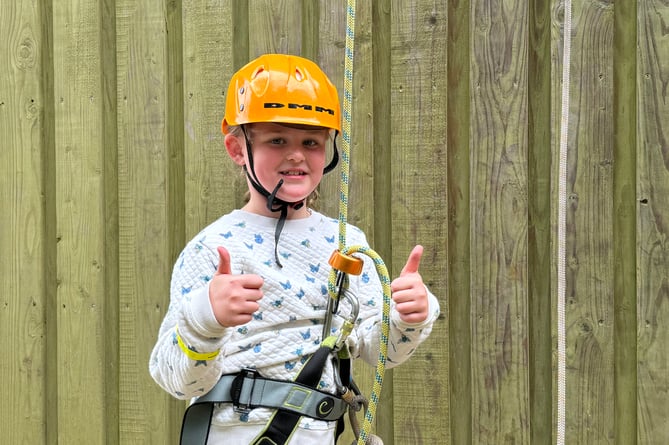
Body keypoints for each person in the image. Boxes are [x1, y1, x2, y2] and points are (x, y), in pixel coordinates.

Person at [149, 53, 440, 445]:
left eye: (311, 142)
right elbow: (177, 379)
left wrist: (410, 316)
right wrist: (206, 318)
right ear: (237, 149)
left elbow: (381, 350)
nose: (297, 155)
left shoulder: (347, 243)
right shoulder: (214, 249)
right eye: (277, 140)